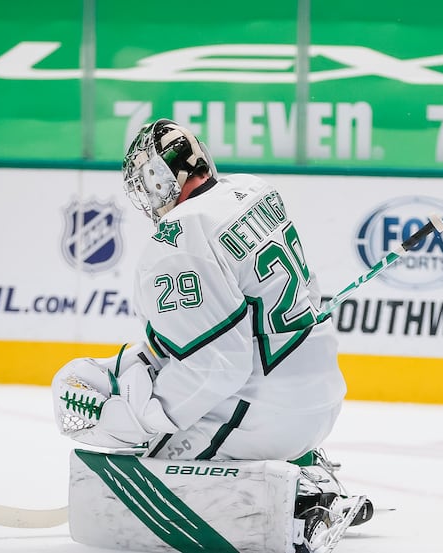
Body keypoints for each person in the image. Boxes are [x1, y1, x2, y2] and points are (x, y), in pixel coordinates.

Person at [52, 119, 373, 552]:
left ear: (158, 179)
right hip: (319, 395)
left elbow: (217, 367)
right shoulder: (251, 191)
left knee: (146, 456)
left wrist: (142, 423)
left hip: (265, 413)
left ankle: (300, 508)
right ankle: (305, 466)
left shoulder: (179, 239)